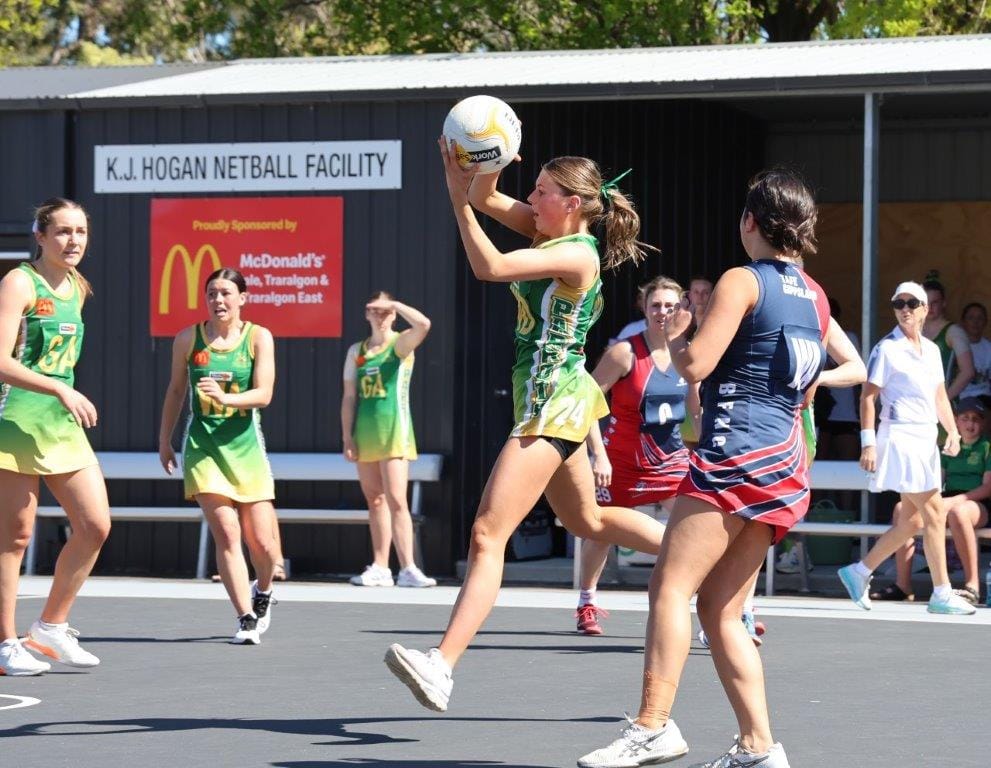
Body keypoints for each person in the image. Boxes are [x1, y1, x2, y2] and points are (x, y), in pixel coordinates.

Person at [579, 169, 866, 768]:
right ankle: (760, 747)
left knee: (670, 587)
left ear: (749, 223)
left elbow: (696, 366)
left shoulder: (743, 279)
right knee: (721, 609)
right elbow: (832, 377)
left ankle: (653, 726)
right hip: (784, 463)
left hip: (733, 456)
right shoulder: (814, 295)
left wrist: (682, 338)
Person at [384, 143, 667, 714]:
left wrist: (457, 199)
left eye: (541, 191)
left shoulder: (578, 255)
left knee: (488, 534)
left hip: (553, 406)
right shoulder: (547, 231)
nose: (531, 198)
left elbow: (488, 266)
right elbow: (485, 196)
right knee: (586, 519)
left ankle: (442, 664)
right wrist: (473, 166)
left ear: (573, 203)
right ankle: (699, 560)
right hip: (546, 400)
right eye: (532, 188)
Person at [0, 198, 109, 677]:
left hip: (60, 422)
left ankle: (49, 627)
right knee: (15, 538)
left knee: (95, 526)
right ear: (40, 236)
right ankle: (5, 644)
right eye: (63, 231)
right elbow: (2, 361)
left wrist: (63, 393)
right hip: (16, 419)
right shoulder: (19, 282)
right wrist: (59, 387)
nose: (74, 241)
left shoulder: (78, 287)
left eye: (80, 232)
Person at [837, 281, 976, 616]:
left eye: (912, 303)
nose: (905, 310)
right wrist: (867, 442)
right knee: (934, 513)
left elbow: (939, 395)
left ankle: (859, 571)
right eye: (898, 304)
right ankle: (942, 593)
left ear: (925, 308)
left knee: (912, 522)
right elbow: (867, 397)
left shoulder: (931, 350)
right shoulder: (886, 349)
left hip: (925, 439)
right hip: (898, 437)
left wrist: (952, 432)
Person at [159, 267, 281, 645]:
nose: (218, 300)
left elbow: (264, 395)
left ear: (242, 298)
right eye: (212, 293)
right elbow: (176, 391)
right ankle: (245, 617)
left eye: (226, 293)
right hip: (203, 447)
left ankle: (263, 590)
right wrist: (165, 440)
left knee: (262, 543)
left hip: (245, 448)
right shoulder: (187, 339)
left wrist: (227, 397)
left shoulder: (259, 337)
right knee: (227, 532)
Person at [578, 276, 701, 636]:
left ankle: (709, 610)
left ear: (682, 309)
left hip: (671, 463)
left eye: (669, 306)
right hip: (622, 463)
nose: (662, 312)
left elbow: (695, 409)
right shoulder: (624, 352)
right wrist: (598, 454)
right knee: (600, 533)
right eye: (655, 305)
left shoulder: (687, 352)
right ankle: (587, 601)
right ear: (644, 309)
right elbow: (587, 400)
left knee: (694, 534)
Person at [341, 291, 435, 588]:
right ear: (366, 314)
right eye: (375, 312)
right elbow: (349, 397)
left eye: (386, 313)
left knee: (397, 499)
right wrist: (347, 436)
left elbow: (424, 325)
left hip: (394, 430)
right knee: (375, 500)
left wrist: (394, 304)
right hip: (366, 434)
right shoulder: (358, 350)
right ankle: (380, 566)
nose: (381, 317)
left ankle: (408, 567)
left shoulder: (399, 344)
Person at [869, 397, 991, 604]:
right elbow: (936, 482)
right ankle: (903, 585)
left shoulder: (987, 446)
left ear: (984, 422)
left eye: (976, 419)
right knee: (902, 510)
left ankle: (972, 585)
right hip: (948, 499)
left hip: (978, 503)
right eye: (965, 418)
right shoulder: (949, 446)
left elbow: (987, 487)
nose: (970, 424)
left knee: (958, 512)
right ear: (955, 421)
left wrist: (953, 501)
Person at [922, 272, 974, 402]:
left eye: (935, 302)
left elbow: (968, 372)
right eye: (926, 303)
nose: (930, 307)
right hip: (916, 404)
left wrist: (943, 401)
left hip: (942, 406)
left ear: (944, 303)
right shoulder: (913, 331)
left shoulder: (954, 332)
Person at [958, 302, 991, 404]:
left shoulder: (989, 347)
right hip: (960, 397)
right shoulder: (955, 346)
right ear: (963, 321)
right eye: (971, 318)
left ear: (985, 322)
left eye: (980, 318)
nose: (975, 322)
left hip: (984, 397)